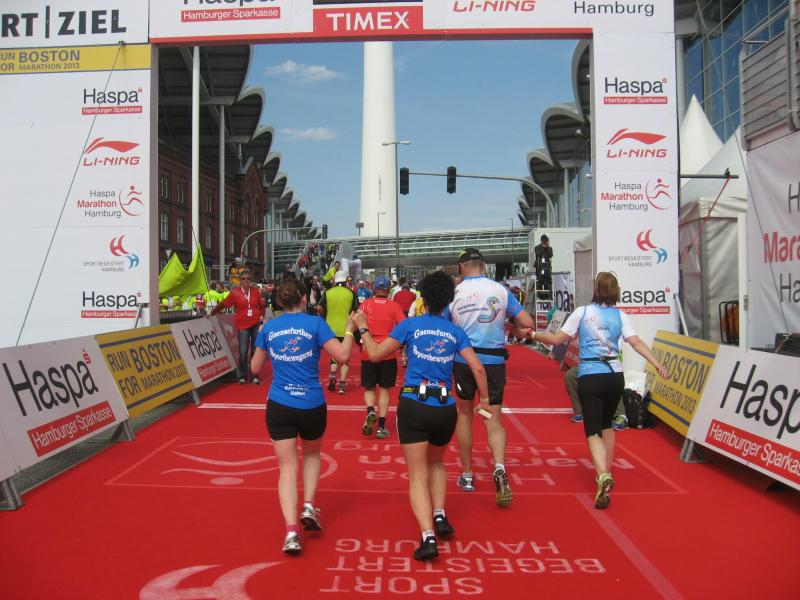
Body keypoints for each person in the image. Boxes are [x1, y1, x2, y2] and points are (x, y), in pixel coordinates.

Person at [354, 271, 489, 561]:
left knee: (417, 474)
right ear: (448, 301)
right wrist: (486, 401)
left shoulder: (411, 325)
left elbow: (375, 354)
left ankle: (428, 537)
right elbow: (477, 368)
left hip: (414, 403)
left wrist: (363, 328)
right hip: (444, 406)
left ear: (423, 299)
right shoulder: (455, 331)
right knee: (437, 462)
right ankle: (440, 514)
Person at [529, 272, 668, 509]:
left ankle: (602, 474)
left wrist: (533, 334)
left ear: (595, 289)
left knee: (592, 431)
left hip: (591, 375)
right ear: (616, 291)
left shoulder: (582, 312)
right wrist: (656, 363)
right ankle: (606, 472)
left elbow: (556, 340)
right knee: (607, 425)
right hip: (614, 376)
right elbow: (635, 342)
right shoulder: (620, 315)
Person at [251, 278, 355, 553]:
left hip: (280, 404)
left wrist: (266, 342)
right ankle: (308, 505)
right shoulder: (315, 324)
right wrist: (350, 329)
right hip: (311, 404)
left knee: (287, 468)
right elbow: (343, 356)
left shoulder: (269, 327)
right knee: (311, 455)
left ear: (280, 301)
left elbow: (254, 368)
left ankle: (291, 533)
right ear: (304, 298)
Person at [448, 248, 534, 506]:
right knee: (493, 417)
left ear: (461, 267)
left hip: (464, 360)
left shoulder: (455, 292)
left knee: (465, 414)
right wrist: (511, 326)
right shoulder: (500, 290)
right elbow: (527, 322)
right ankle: (499, 467)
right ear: (484, 266)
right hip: (493, 360)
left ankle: (467, 474)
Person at [358, 275, 406, 439]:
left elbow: (357, 323)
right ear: (388, 289)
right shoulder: (394, 306)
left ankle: (371, 410)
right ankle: (381, 426)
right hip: (387, 351)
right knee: (384, 389)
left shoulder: (365, 304)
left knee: (369, 387)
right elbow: (403, 325)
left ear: (374, 288)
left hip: (368, 350)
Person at [209, 268, 265, 384]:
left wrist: (262, 317)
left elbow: (262, 306)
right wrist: (211, 313)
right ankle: (243, 375)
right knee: (243, 351)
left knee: (255, 350)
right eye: (243, 279)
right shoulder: (235, 292)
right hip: (242, 324)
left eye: (248, 278)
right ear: (240, 280)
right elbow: (223, 304)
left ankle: (254, 375)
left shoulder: (255, 291)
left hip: (255, 323)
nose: (246, 280)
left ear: (250, 280)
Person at [318, 270, 359, 393]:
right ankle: (342, 385)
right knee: (345, 357)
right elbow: (355, 311)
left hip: (330, 329)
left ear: (334, 281)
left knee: (334, 354)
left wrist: (325, 315)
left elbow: (319, 307)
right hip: (346, 329)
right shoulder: (351, 293)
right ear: (346, 281)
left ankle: (333, 375)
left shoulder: (328, 292)